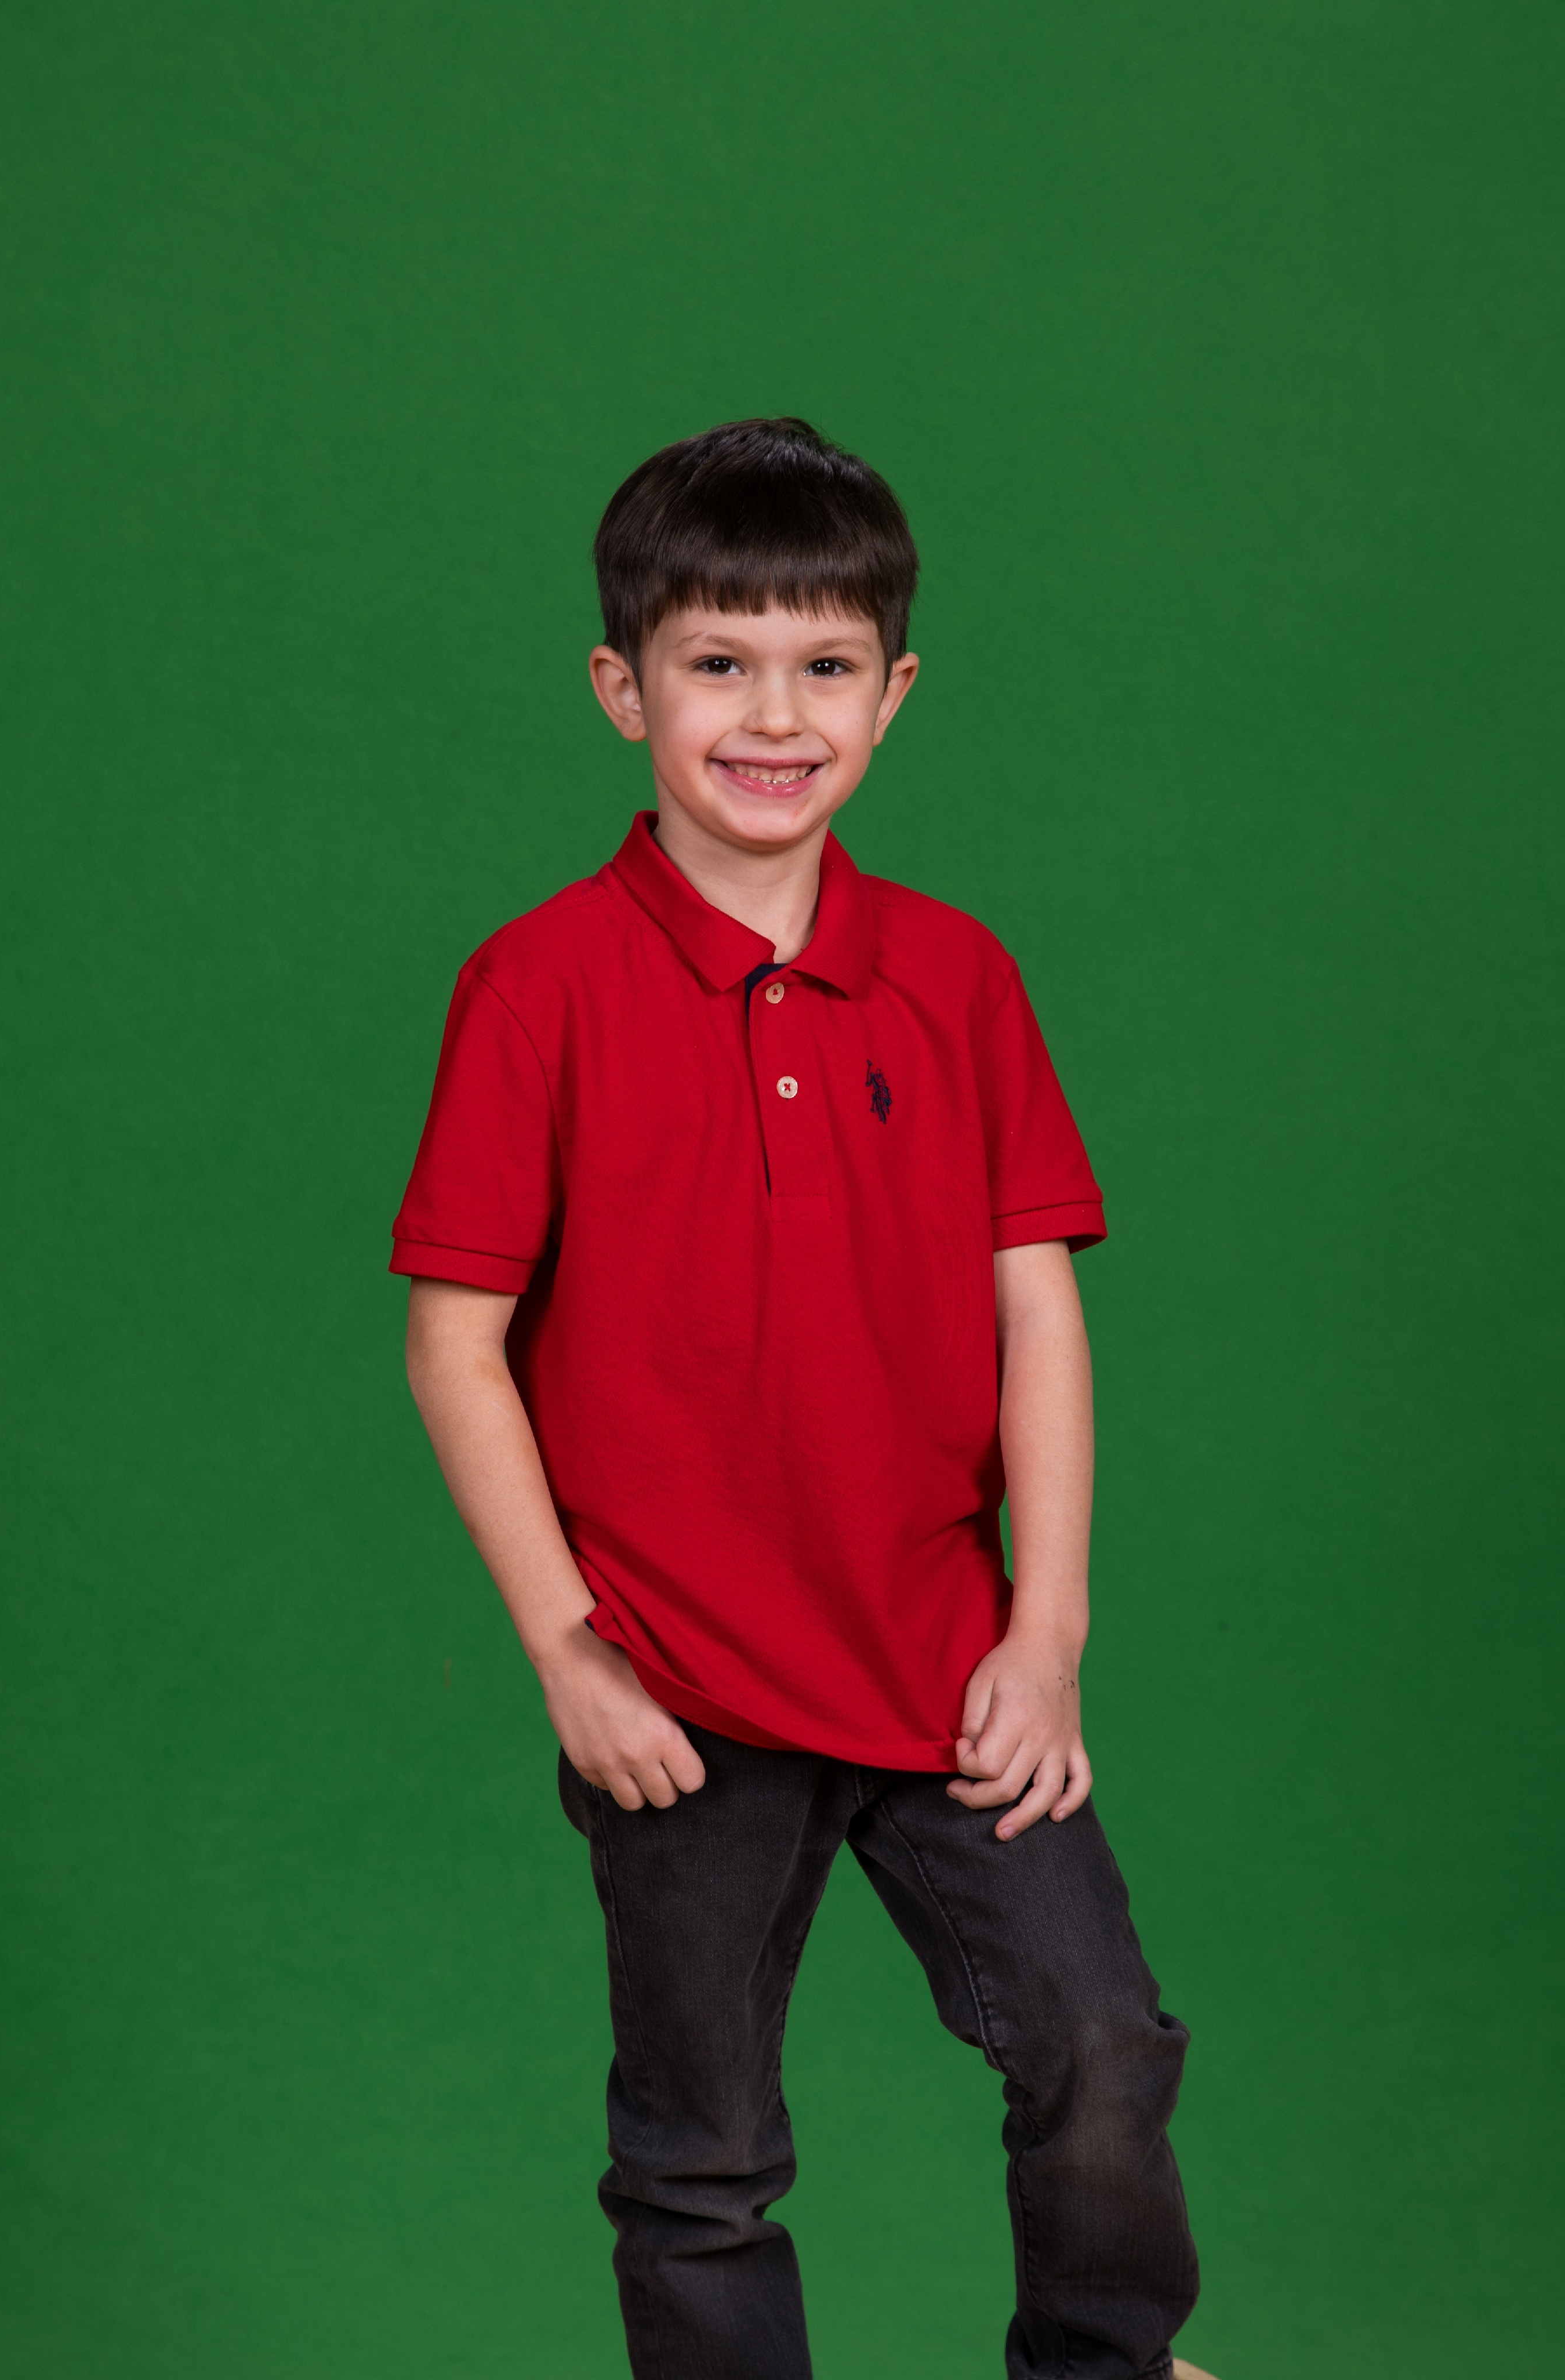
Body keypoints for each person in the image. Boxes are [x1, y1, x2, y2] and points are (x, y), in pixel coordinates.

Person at [393, 418, 1199, 2380]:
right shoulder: (537, 988)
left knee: (1101, 2045)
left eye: (826, 665)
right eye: (719, 662)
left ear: (893, 693)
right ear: (623, 688)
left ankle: (1106, 2365)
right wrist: (568, 1651)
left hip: (943, 1660)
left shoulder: (960, 978)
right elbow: (455, 1342)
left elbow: (1038, 1319)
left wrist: (1049, 1632)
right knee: (703, 2164)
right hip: (677, 1692)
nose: (775, 715)